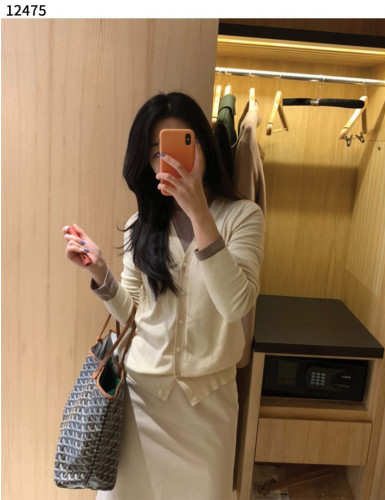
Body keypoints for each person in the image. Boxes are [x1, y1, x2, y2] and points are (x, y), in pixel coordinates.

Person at [62, 92, 264, 500]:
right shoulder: (142, 224)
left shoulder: (243, 217)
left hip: (209, 408)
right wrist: (100, 272)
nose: (169, 161)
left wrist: (198, 212)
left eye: (181, 145)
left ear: (203, 147)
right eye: (157, 152)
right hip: (141, 405)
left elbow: (236, 305)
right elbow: (133, 316)